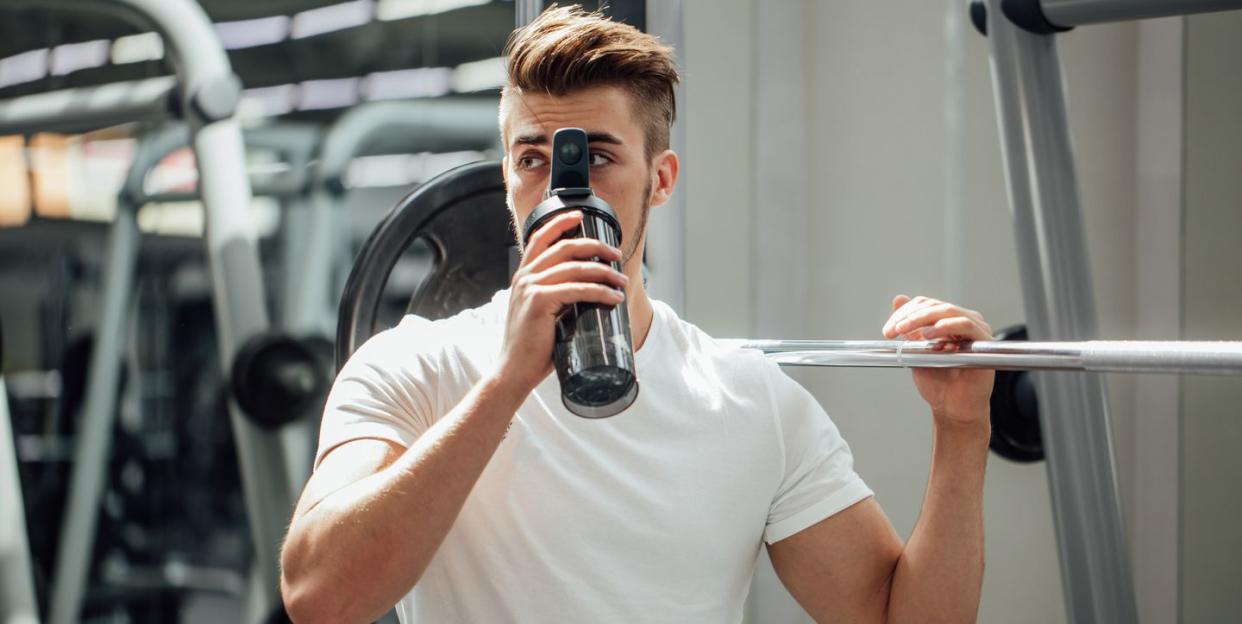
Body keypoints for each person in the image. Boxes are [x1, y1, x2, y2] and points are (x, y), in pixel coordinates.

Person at [280, 6, 994, 623]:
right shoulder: (412, 367)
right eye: (534, 160)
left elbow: (899, 616)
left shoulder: (752, 401)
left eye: (595, 158)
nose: (562, 192)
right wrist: (505, 385)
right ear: (507, 180)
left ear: (661, 180)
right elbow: (318, 597)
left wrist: (961, 431)